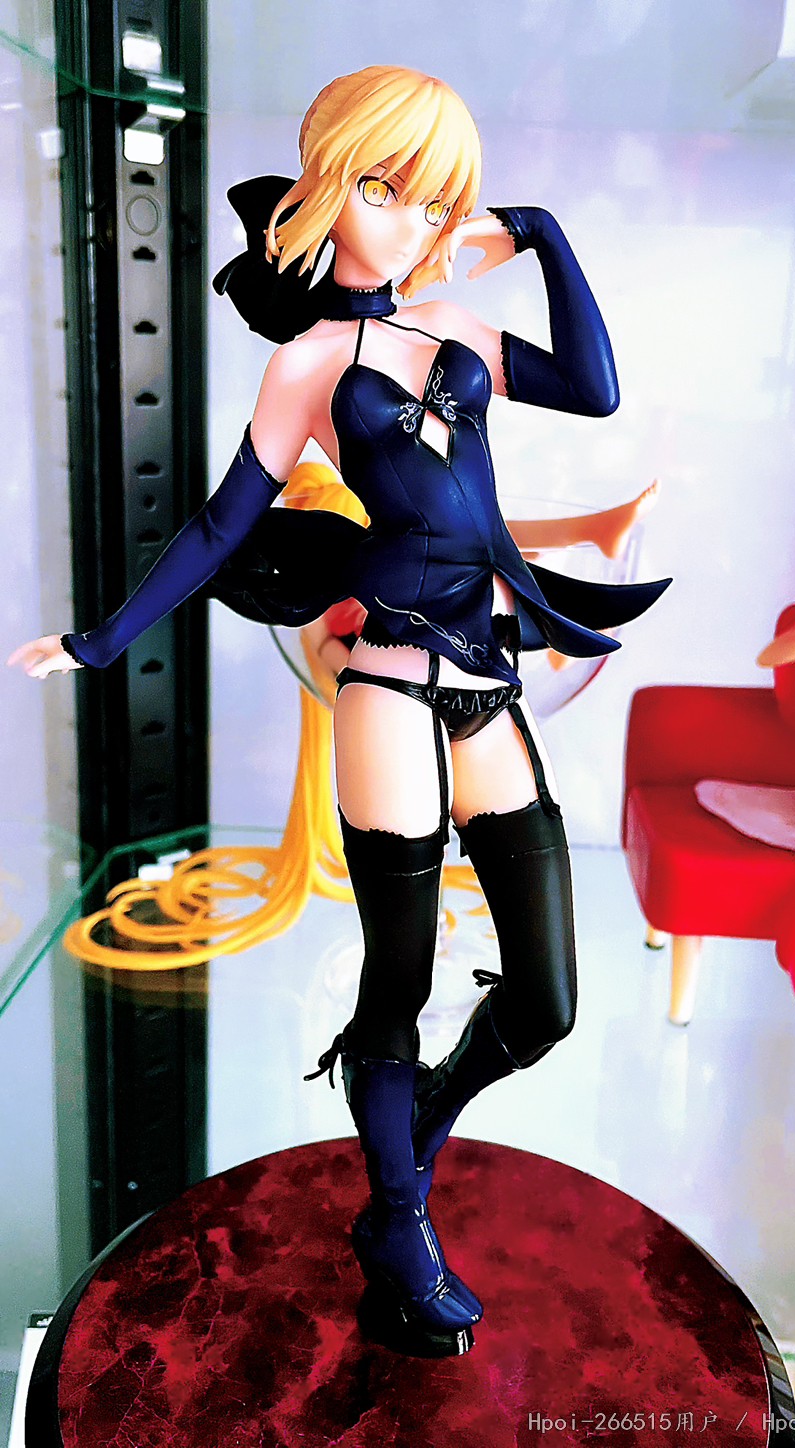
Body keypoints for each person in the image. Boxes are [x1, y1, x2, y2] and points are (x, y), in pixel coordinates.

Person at [7, 64, 672, 1357]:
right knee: (397, 980)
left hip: (486, 674)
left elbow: (593, 386)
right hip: (386, 681)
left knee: (546, 999)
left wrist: (539, 231)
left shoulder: (457, 332)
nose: (414, 219)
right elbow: (219, 526)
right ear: (325, 188)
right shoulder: (309, 363)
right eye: (384, 186)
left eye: (437, 198)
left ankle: (415, 1125)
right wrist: (97, 641)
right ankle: (401, 1220)